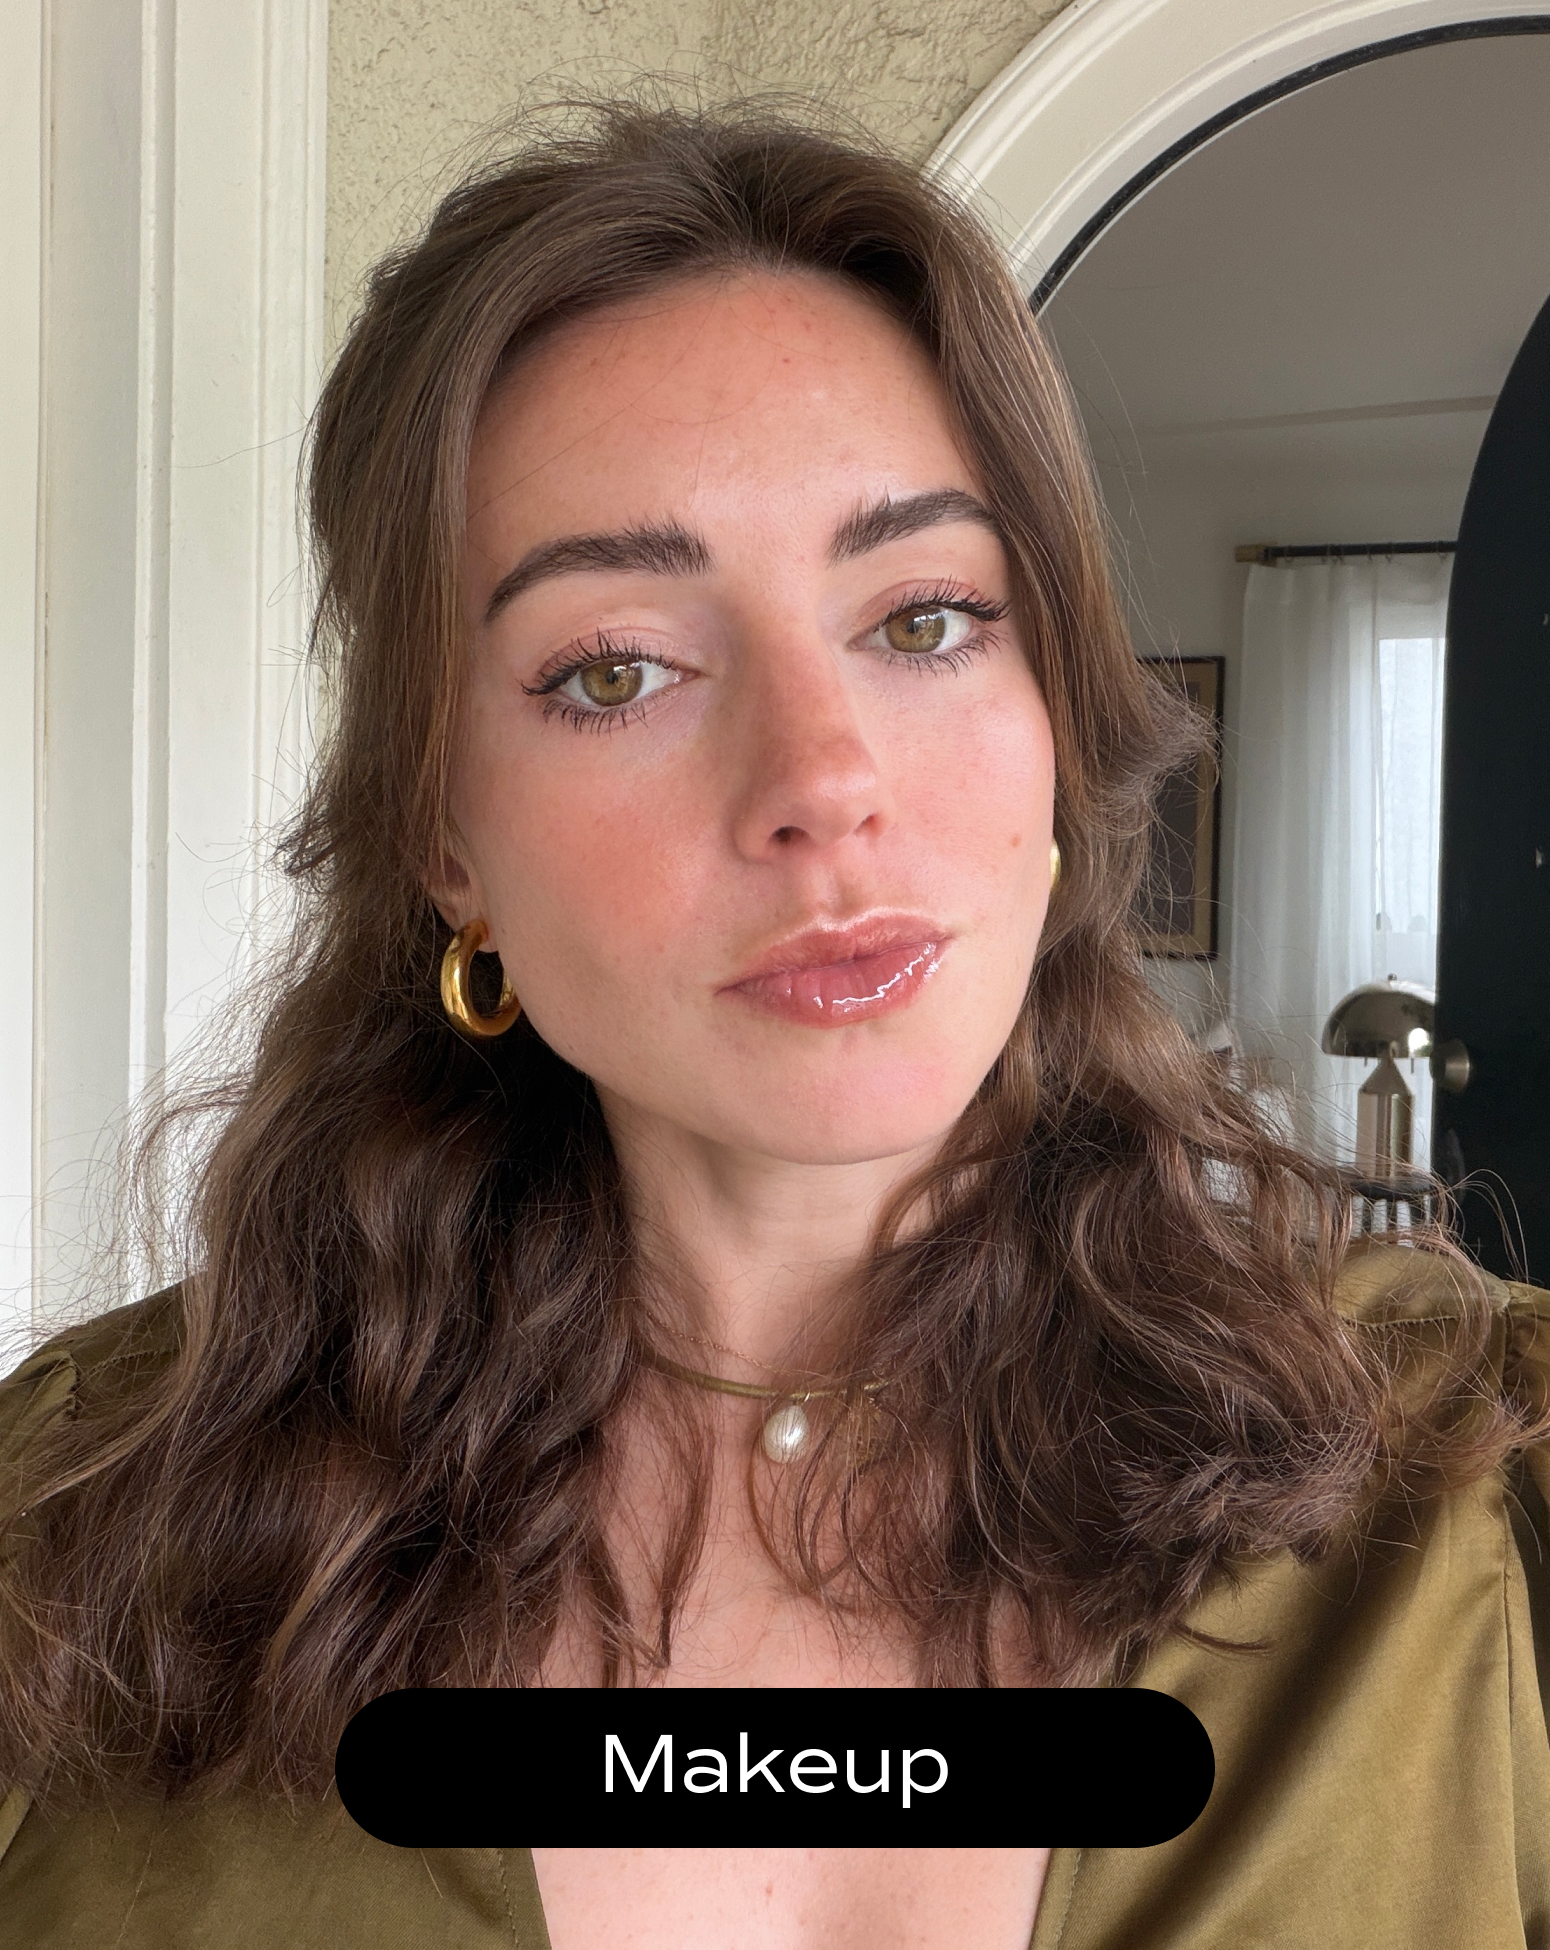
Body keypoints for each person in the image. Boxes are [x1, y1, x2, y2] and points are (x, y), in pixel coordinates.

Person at [0, 100, 1546, 1950]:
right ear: (442, 834)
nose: (821, 781)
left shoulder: (1474, 1492)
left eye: (923, 619)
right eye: (615, 668)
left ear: (1053, 721)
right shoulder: (72, 1533)